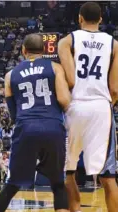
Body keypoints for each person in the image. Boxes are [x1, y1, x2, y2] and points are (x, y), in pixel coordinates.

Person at [0, 34, 70, 212]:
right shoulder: (55, 67)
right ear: (43, 51)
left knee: (12, 184)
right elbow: (65, 100)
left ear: (23, 51)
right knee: (58, 184)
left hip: (26, 127)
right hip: (52, 126)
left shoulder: (10, 75)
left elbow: (13, 113)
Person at [58, 2, 118, 212]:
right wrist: (104, 104)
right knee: (108, 176)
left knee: (69, 171)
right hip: (101, 107)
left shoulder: (67, 41)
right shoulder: (114, 44)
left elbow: (71, 80)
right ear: (101, 19)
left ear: (80, 18)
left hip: (75, 106)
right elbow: (115, 88)